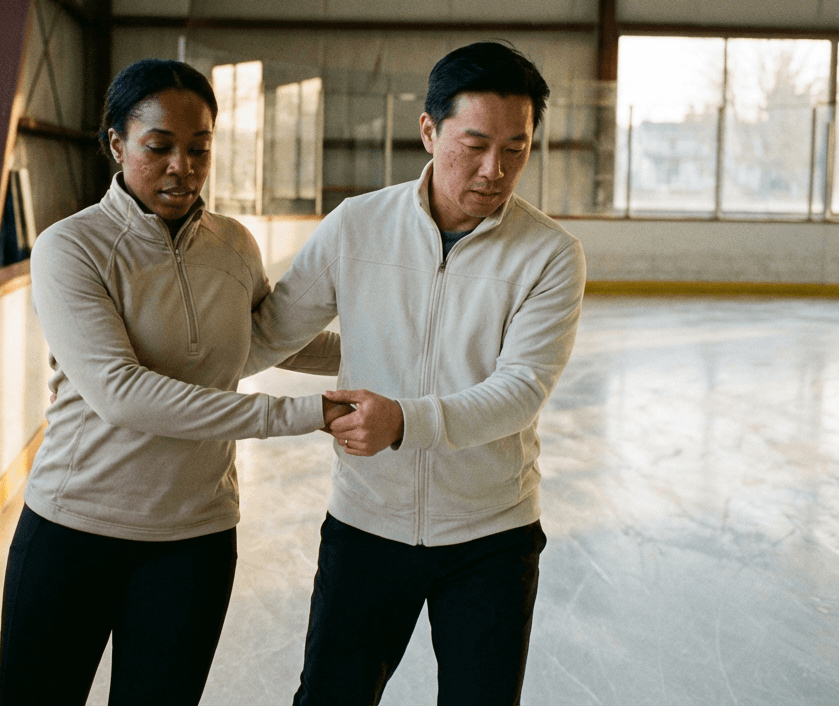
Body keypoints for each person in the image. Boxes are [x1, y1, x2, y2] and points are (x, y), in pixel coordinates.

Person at [0, 58, 348, 705]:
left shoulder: (234, 245)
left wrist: (397, 356)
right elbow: (121, 393)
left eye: (199, 148)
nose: (182, 167)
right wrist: (305, 414)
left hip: (194, 541)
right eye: (159, 147)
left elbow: (266, 339)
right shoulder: (71, 248)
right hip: (74, 531)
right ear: (117, 144)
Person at [246, 42, 588, 705]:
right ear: (429, 131)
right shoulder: (357, 226)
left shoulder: (549, 254)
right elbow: (268, 335)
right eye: (475, 145)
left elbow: (521, 389)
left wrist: (404, 420)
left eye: (516, 149)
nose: (494, 170)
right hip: (367, 523)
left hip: (492, 535)